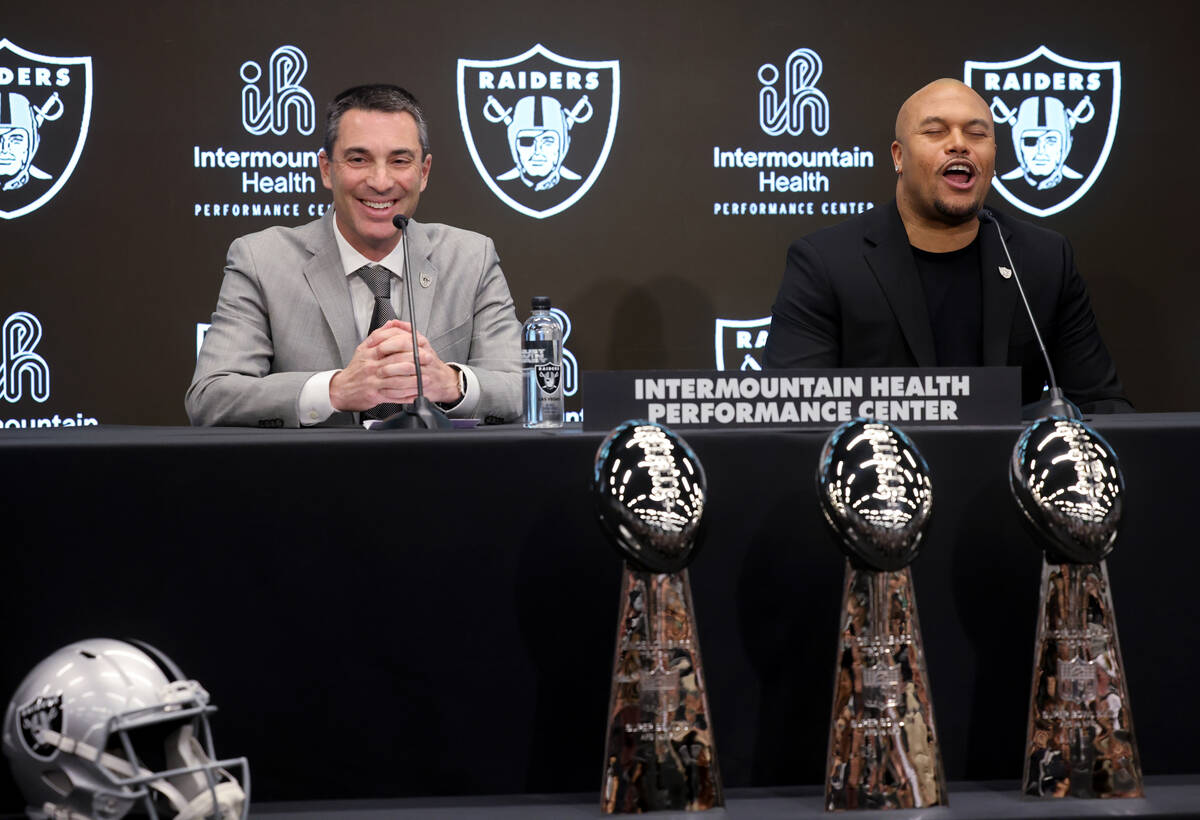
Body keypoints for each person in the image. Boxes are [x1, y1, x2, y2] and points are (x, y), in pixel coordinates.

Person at [764, 78, 1131, 414]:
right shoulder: (826, 263)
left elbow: (1101, 403)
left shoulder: (1044, 259)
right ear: (898, 157)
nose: (959, 144)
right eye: (936, 131)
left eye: (977, 134)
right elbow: (792, 412)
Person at [187, 84, 522, 427]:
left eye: (400, 161)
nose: (380, 181)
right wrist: (334, 391)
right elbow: (211, 395)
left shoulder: (471, 258)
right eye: (358, 159)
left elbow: (519, 389)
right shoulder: (261, 260)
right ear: (327, 169)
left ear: (423, 172)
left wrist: (450, 382)